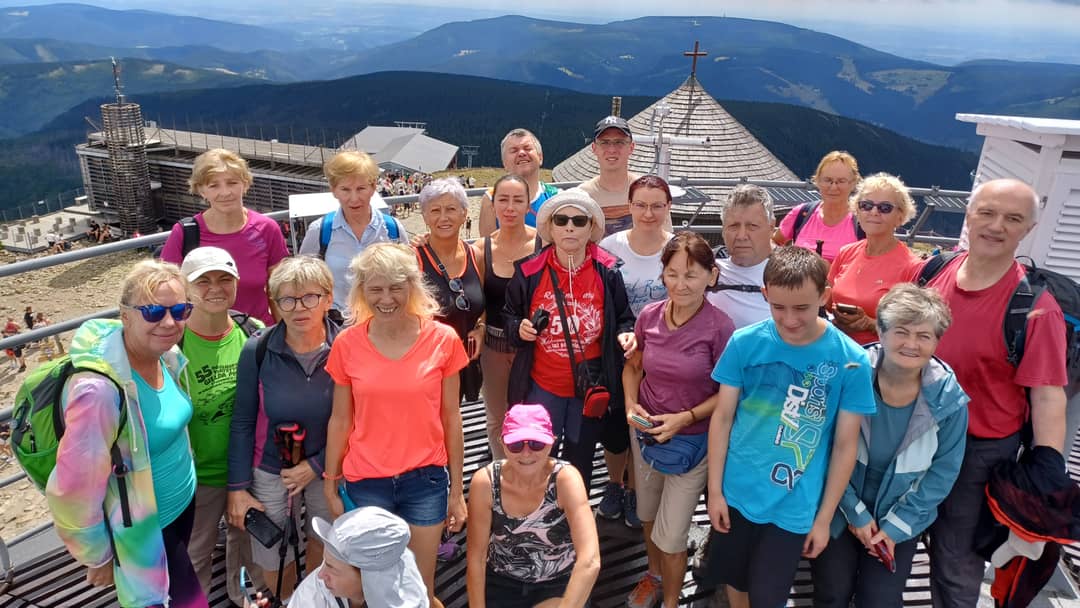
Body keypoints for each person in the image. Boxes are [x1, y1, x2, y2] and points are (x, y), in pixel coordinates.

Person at [920, 178, 1068, 608]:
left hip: (979, 451)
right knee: (901, 534)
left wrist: (1048, 465)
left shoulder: (1035, 308)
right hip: (913, 432)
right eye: (987, 213)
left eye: (1013, 218)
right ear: (969, 216)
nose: (996, 225)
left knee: (955, 558)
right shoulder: (932, 272)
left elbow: (1047, 394)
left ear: (1028, 229)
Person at [702, 246, 876, 608]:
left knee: (769, 595)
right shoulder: (744, 342)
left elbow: (845, 445)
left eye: (802, 308)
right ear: (765, 294)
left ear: (824, 296)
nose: (790, 319)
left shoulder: (852, 360)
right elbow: (723, 417)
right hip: (737, 491)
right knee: (734, 578)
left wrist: (824, 518)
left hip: (794, 502)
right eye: (778, 307)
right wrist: (715, 491)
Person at [45, 260, 206, 607]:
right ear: (125, 315)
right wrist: (99, 556)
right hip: (143, 530)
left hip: (180, 506)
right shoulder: (98, 392)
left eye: (180, 310)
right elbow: (72, 489)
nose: (169, 322)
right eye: (153, 312)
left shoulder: (165, 354)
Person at [323, 243, 468, 608]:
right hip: (366, 482)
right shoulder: (346, 344)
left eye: (395, 288)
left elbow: (452, 417)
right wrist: (330, 481)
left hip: (425, 480)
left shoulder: (443, 340)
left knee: (420, 585)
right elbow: (341, 419)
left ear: (412, 287)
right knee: (371, 589)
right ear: (361, 291)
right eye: (375, 289)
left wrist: (456, 491)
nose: (386, 299)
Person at [811, 284, 968, 608]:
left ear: (937, 341)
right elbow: (823, 447)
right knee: (832, 591)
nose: (911, 344)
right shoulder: (850, 374)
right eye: (901, 332)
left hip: (902, 516)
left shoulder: (948, 399)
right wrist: (855, 513)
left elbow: (944, 471)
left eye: (924, 336)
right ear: (880, 331)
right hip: (839, 504)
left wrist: (894, 529)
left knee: (880, 599)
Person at [623, 232, 735, 608]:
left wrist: (684, 418)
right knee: (647, 513)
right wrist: (630, 404)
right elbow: (634, 367)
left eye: (691, 274)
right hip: (647, 431)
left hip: (694, 440)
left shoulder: (720, 328)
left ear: (711, 276)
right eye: (672, 274)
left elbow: (729, 393)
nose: (680, 284)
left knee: (671, 535)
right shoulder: (650, 316)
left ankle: (671, 601)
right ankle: (653, 577)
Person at [504, 188, 636, 493]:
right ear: (550, 228)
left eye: (579, 221)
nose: (569, 227)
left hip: (587, 386)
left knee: (580, 457)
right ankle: (538, 510)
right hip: (542, 385)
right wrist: (518, 328)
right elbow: (509, 315)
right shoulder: (529, 271)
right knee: (538, 454)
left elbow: (623, 317)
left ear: (591, 228)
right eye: (561, 220)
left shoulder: (608, 271)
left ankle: (574, 512)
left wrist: (625, 334)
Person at [227, 256, 340, 601]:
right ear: (274, 304)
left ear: (328, 298)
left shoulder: (345, 345)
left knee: (325, 538)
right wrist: (238, 488)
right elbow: (243, 420)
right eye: (287, 299)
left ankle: (316, 599)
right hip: (271, 467)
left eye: (310, 297)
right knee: (273, 548)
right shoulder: (258, 349)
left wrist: (315, 466)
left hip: (329, 464)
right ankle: (289, 598)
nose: (299, 308)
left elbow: (358, 418)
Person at [177, 247, 265, 605]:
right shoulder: (172, 342)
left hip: (249, 469)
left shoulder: (253, 332)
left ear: (237, 283)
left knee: (248, 546)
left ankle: (245, 598)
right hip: (197, 475)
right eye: (203, 281)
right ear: (186, 288)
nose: (215, 288)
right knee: (195, 553)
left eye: (224, 279)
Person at [595, 174, 675, 527]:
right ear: (629, 206)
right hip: (616, 348)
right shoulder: (610, 247)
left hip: (661, 352)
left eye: (657, 206)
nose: (648, 213)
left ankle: (633, 485)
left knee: (646, 418)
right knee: (614, 423)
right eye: (640, 205)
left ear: (668, 207)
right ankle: (615, 482)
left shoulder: (677, 248)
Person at [466, 404, 600, 607]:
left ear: (551, 441)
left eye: (537, 444)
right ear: (503, 443)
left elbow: (590, 560)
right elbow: (476, 559)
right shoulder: (485, 483)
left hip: (557, 581)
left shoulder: (565, 480)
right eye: (516, 445)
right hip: (503, 581)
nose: (526, 453)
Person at [161, 149, 290, 325]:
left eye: (232, 183)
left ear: (245, 184)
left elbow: (280, 291)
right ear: (201, 190)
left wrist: (283, 332)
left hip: (257, 334)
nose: (225, 192)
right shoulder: (185, 233)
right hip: (202, 334)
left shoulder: (267, 229)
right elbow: (166, 293)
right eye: (214, 185)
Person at [473, 174, 543, 459]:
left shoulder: (544, 245)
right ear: (493, 205)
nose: (510, 207)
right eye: (503, 200)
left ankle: (532, 470)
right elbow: (477, 300)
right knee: (497, 418)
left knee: (535, 413)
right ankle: (502, 471)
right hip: (495, 345)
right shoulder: (481, 249)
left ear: (528, 205)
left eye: (518, 200)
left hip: (536, 347)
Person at [299, 150, 410, 319]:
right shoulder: (319, 231)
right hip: (337, 324)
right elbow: (304, 281)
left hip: (385, 323)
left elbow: (408, 278)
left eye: (361, 188)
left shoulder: (393, 229)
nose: (354, 198)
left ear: (373, 187)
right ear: (334, 190)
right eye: (345, 189)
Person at [827, 172, 920, 345]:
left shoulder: (912, 267)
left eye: (885, 208)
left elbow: (914, 329)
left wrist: (869, 324)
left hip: (877, 354)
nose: (874, 212)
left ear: (900, 217)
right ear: (857, 211)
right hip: (835, 348)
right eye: (866, 205)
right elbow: (827, 300)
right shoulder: (846, 253)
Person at [415, 178, 485, 400]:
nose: (443, 217)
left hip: (466, 361)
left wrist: (481, 329)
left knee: (454, 416)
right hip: (427, 365)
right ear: (425, 217)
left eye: (451, 209)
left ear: (464, 214)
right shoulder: (413, 259)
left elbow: (483, 302)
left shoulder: (476, 256)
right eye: (435, 210)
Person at [287, 507, 430, 608]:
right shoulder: (312, 592)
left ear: (368, 577)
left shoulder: (410, 598)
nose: (320, 574)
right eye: (325, 562)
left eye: (331, 567)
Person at [774, 150, 862, 262]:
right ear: (818, 181)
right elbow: (774, 242)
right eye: (828, 180)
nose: (833, 187)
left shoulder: (862, 222)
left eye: (841, 181)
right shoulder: (801, 214)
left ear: (853, 183)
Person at [707, 184, 775, 328]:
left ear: (771, 228)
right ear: (723, 229)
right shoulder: (707, 267)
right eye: (733, 226)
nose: (742, 236)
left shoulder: (791, 273)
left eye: (752, 226)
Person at [477, 128, 561, 236]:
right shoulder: (491, 198)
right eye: (514, 150)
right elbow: (487, 244)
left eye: (527, 148)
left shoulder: (555, 197)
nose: (521, 153)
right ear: (504, 163)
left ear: (540, 157)